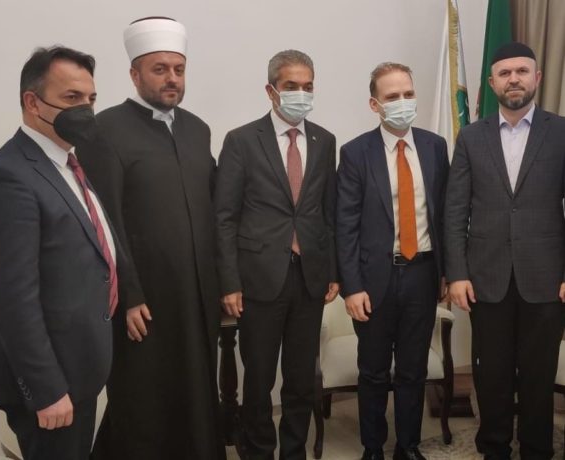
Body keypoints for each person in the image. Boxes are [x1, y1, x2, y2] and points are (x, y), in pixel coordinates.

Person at [76, 17, 225, 460]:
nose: (171, 78)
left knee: (198, 390)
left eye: (178, 69)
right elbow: (104, 221)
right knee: (143, 400)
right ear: (134, 74)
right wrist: (129, 295)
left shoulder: (197, 128)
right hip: (144, 301)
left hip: (197, 294)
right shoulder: (103, 129)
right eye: (159, 69)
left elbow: (214, 210)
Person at [0, 46, 118, 460]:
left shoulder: (67, 164)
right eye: (72, 98)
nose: (85, 110)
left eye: (91, 99)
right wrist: (46, 390)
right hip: (53, 384)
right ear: (32, 102)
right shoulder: (9, 174)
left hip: (80, 367)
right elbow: (12, 297)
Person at [215, 49, 338, 460]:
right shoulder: (241, 140)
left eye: (308, 86)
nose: (301, 94)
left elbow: (327, 212)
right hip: (259, 279)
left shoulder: (324, 141)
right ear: (271, 91)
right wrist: (229, 282)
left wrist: (332, 270)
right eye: (291, 86)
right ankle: (258, 452)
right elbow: (225, 217)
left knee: (300, 381)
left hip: (309, 278)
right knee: (259, 381)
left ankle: (294, 452)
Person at [445, 42, 565, 460]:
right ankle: (493, 449)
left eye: (522, 71)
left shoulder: (561, 132)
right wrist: (457, 273)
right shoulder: (471, 137)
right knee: (491, 375)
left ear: (537, 78)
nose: (514, 79)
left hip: (546, 279)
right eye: (505, 73)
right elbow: (455, 210)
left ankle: (536, 450)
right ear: (492, 82)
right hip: (486, 278)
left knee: (538, 375)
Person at [336, 62, 449, 460]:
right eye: (392, 97)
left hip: (423, 274)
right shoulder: (355, 153)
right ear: (375, 104)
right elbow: (345, 225)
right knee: (373, 370)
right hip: (373, 280)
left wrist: (448, 273)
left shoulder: (435, 147)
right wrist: (351, 287)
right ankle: (373, 447)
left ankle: (408, 445)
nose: (403, 102)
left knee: (413, 369)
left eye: (408, 94)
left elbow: (445, 216)